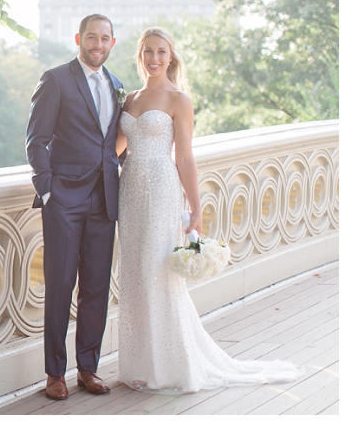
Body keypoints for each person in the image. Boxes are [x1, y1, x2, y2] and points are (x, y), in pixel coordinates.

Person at [115, 26, 304, 393]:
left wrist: (196, 207)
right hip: (130, 189)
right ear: (140, 56)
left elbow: (184, 157)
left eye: (161, 52)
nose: (154, 58)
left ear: (171, 57)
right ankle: (140, 363)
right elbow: (117, 148)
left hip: (161, 190)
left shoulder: (178, 99)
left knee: (159, 271)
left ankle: (170, 364)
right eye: (148, 51)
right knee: (136, 274)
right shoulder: (131, 99)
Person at [26, 14, 125, 400]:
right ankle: (54, 374)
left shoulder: (117, 85)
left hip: (104, 200)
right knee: (61, 285)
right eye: (91, 37)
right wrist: (48, 190)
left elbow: (113, 142)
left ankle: (88, 368)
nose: (97, 44)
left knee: (96, 287)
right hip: (64, 200)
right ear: (78, 39)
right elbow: (36, 139)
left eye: (104, 38)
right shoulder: (56, 79)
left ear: (112, 43)